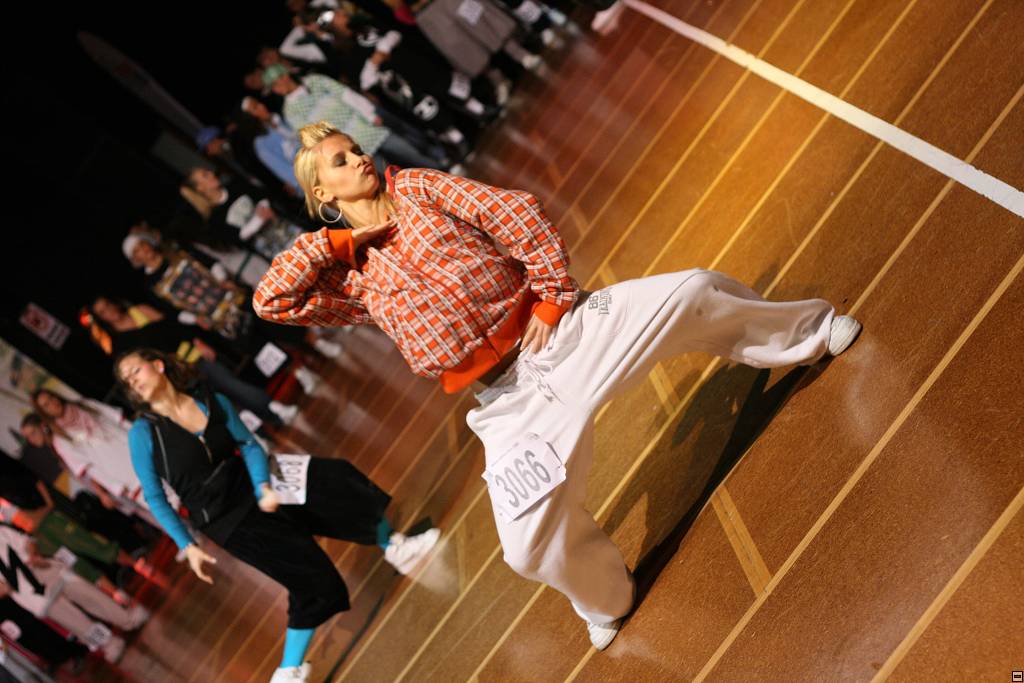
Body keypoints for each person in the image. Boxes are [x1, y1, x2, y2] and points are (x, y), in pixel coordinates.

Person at [252, 121, 863, 650]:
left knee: (694, 291)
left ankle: (808, 332)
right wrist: (335, 244)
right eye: (341, 161)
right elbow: (272, 300)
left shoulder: (416, 187)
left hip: (564, 336)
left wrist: (551, 297)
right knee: (524, 548)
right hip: (507, 405)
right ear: (322, 194)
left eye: (356, 149)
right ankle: (605, 598)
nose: (360, 159)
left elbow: (513, 212)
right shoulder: (349, 277)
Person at [114, 348, 441, 683]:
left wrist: (263, 486)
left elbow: (249, 445)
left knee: (334, 484)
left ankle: (395, 547)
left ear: (158, 365)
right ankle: (289, 671)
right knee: (311, 578)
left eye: (135, 371)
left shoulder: (211, 401)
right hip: (229, 520)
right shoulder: (143, 434)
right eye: (126, 381)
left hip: (258, 484)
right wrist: (187, 545)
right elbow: (155, 497)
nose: (132, 381)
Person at [89, 296, 299, 427]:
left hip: (191, 356)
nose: (108, 311)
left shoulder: (141, 310)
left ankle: (275, 410)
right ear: (101, 318)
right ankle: (260, 436)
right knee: (219, 406)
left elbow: (173, 327)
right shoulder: (118, 344)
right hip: (174, 377)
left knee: (232, 384)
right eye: (102, 312)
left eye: (107, 305)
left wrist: (198, 342)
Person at [0, 524, 149, 664]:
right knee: (76, 622)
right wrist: (4, 589)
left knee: (89, 595)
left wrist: (34, 554)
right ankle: (108, 644)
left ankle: (127, 618)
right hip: (30, 594)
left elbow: (26, 541)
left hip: (43, 569)